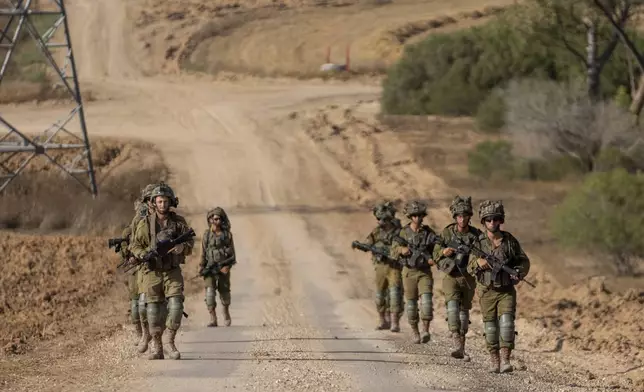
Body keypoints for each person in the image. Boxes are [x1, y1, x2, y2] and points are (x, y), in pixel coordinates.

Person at [130, 183, 194, 360]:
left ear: (171, 202)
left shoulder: (179, 223)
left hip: (172, 270)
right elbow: (134, 245)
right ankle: (156, 345)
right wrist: (142, 254)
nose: (163, 205)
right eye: (159, 201)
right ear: (154, 202)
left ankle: (170, 341)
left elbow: (190, 243)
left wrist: (182, 248)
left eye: (165, 201)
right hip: (152, 271)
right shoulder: (144, 224)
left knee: (176, 306)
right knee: (152, 310)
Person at [468, 200, 530, 373]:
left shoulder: (510, 241)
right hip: (486, 290)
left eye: (496, 219)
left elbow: (523, 261)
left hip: (506, 290)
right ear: (483, 221)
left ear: (501, 220)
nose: (492, 223)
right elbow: (469, 265)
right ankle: (494, 360)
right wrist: (479, 263)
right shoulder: (478, 242)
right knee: (490, 327)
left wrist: (518, 272)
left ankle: (505, 360)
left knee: (507, 323)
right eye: (488, 220)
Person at [433, 196, 481, 361]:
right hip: (451, 276)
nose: (462, 219)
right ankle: (456, 345)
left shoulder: (476, 235)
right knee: (452, 309)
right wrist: (443, 252)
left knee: (464, 314)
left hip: (468, 278)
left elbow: (484, 252)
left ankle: (462, 347)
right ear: (455, 217)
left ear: (469, 216)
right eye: (459, 216)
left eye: (465, 216)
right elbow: (435, 253)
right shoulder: (447, 232)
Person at [390, 200, 437, 344]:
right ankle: (415, 332)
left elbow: (437, 249)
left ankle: (425, 330)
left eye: (420, 215)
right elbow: (393, 250)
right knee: (411, 304)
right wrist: (401, 250)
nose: (417, 218)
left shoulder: (428, 233)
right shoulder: (403, 232)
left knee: (427, 302)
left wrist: (434, 258)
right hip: (409, 272)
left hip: (424, 272)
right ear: (410, 217)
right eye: (414, 216)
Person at [362, 201, 403, 332]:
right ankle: (382, 320)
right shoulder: (376, 232)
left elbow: (406, 247)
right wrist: (363, 246)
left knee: (395, 294)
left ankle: (394, 322)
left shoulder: (399, 232)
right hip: (380, 266)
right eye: (379, 219)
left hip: (394, 266)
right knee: (380, 294)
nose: (381, 222)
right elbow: (368, 243)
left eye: (384, 219)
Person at [198, 207, 236, 327]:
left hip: (223, 268)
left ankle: (225, 312)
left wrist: (227, 266)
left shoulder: (227, 235)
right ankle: (213, 317)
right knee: (209, 293)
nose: (215, 221)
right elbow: (203, 252)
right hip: (210, 268)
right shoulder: (207, 235)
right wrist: (201, 266)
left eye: (218, 219)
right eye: (213, 219)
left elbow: (232, 255)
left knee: (225, 293)